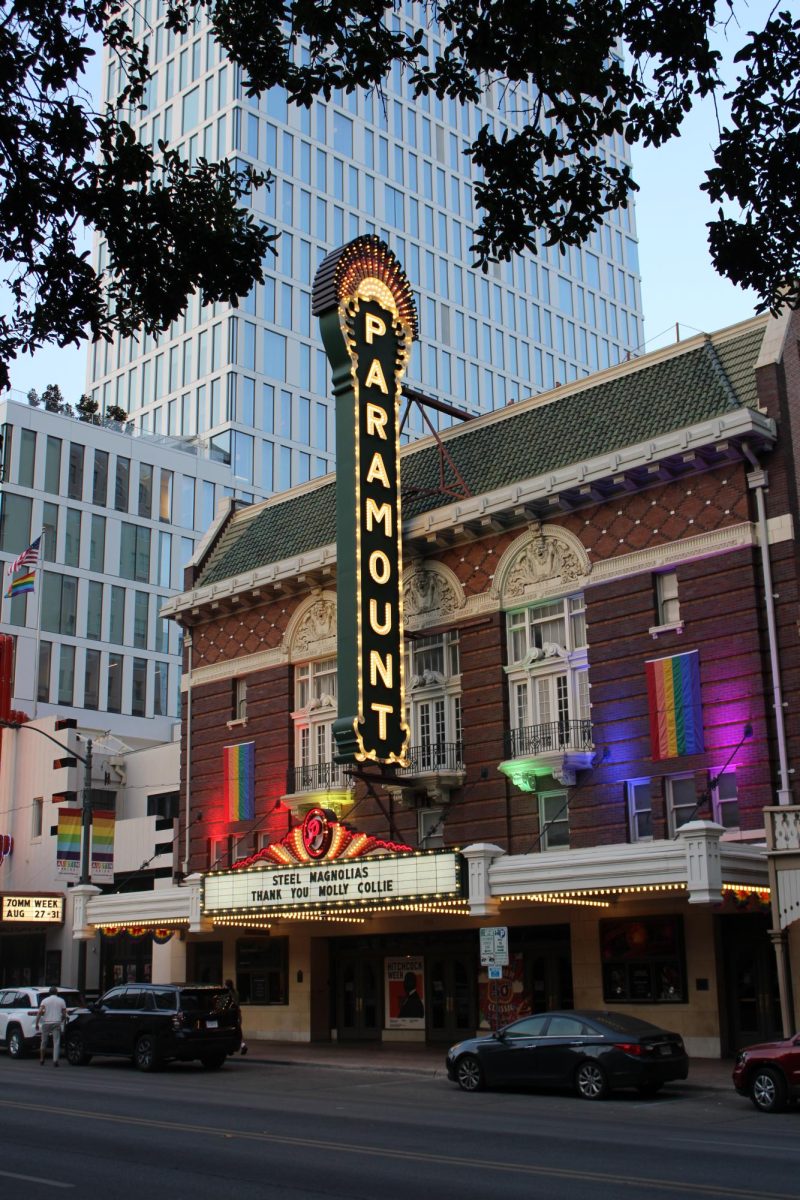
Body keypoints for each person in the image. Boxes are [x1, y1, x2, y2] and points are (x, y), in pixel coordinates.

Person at [36, 986, 67, 1067]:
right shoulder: (61, 1001)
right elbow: (64, 1013)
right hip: (57, 1022)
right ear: (57, 992)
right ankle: (55, 1060)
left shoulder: (44, 1001)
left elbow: (39, 1012)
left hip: (46, 1022)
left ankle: (42, 1059)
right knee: (56, 1042)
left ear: (49, 992)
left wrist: (37, 1023)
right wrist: (62, 1019)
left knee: (44, 1041)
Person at [225, 979, 248, 1056]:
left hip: (231, 1014)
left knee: (230, 1031)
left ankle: (232, 1047)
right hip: (237, 1013)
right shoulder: (236, 992)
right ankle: (242, 1045)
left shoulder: (227, 993)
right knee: (238, 1031)